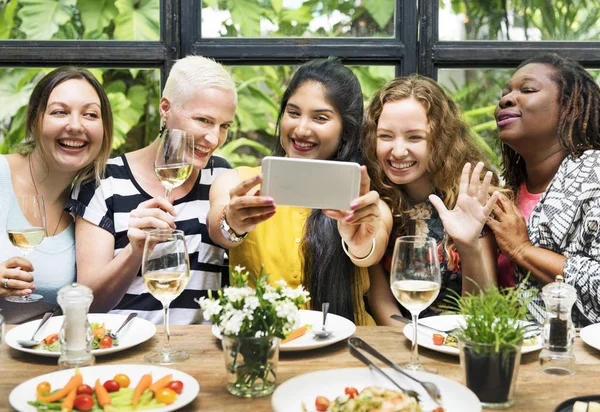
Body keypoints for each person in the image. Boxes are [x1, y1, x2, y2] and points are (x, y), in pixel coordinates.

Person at [207, 57, 391, 326]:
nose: (301, 128)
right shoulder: (235, 182)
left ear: (346, 130)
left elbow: (370, 249)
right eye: (293, 113)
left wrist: (359, 241)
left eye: (320, 118)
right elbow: (219, 230)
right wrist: (232, 222)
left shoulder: (365, 204)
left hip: (348, 350)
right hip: (264, 347)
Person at [69, 56, 237, 324]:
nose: (214, 138)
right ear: (165, 108)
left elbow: (228, 231)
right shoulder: (103, 180)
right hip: (125, 349)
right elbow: (90, 304)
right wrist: (135, 250)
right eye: (203, 120)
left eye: (224, 126)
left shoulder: (220, 175)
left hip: (199, 353)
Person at [363, 75, 500, 326]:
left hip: (457, 344)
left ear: (441, 140)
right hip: (399, 345)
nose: (398, 151)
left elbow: (481, 311)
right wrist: (416, 343)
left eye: (414, 137)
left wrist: (469, 246)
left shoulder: (470, 200)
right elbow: (380, 301)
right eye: (385, 136)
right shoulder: (374, 199)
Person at [488, 54, 600, 327]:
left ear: (568, 107)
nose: (505, 100)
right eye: (505, 94)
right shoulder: (509, 192)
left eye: (527, 90)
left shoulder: (595, 175)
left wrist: (522, 249)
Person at [0, 67, 113, 323]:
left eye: (90, 114)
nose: (75, 125)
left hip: (46, 355)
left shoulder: (93, 206)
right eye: (60, 112)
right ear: (34, 120)